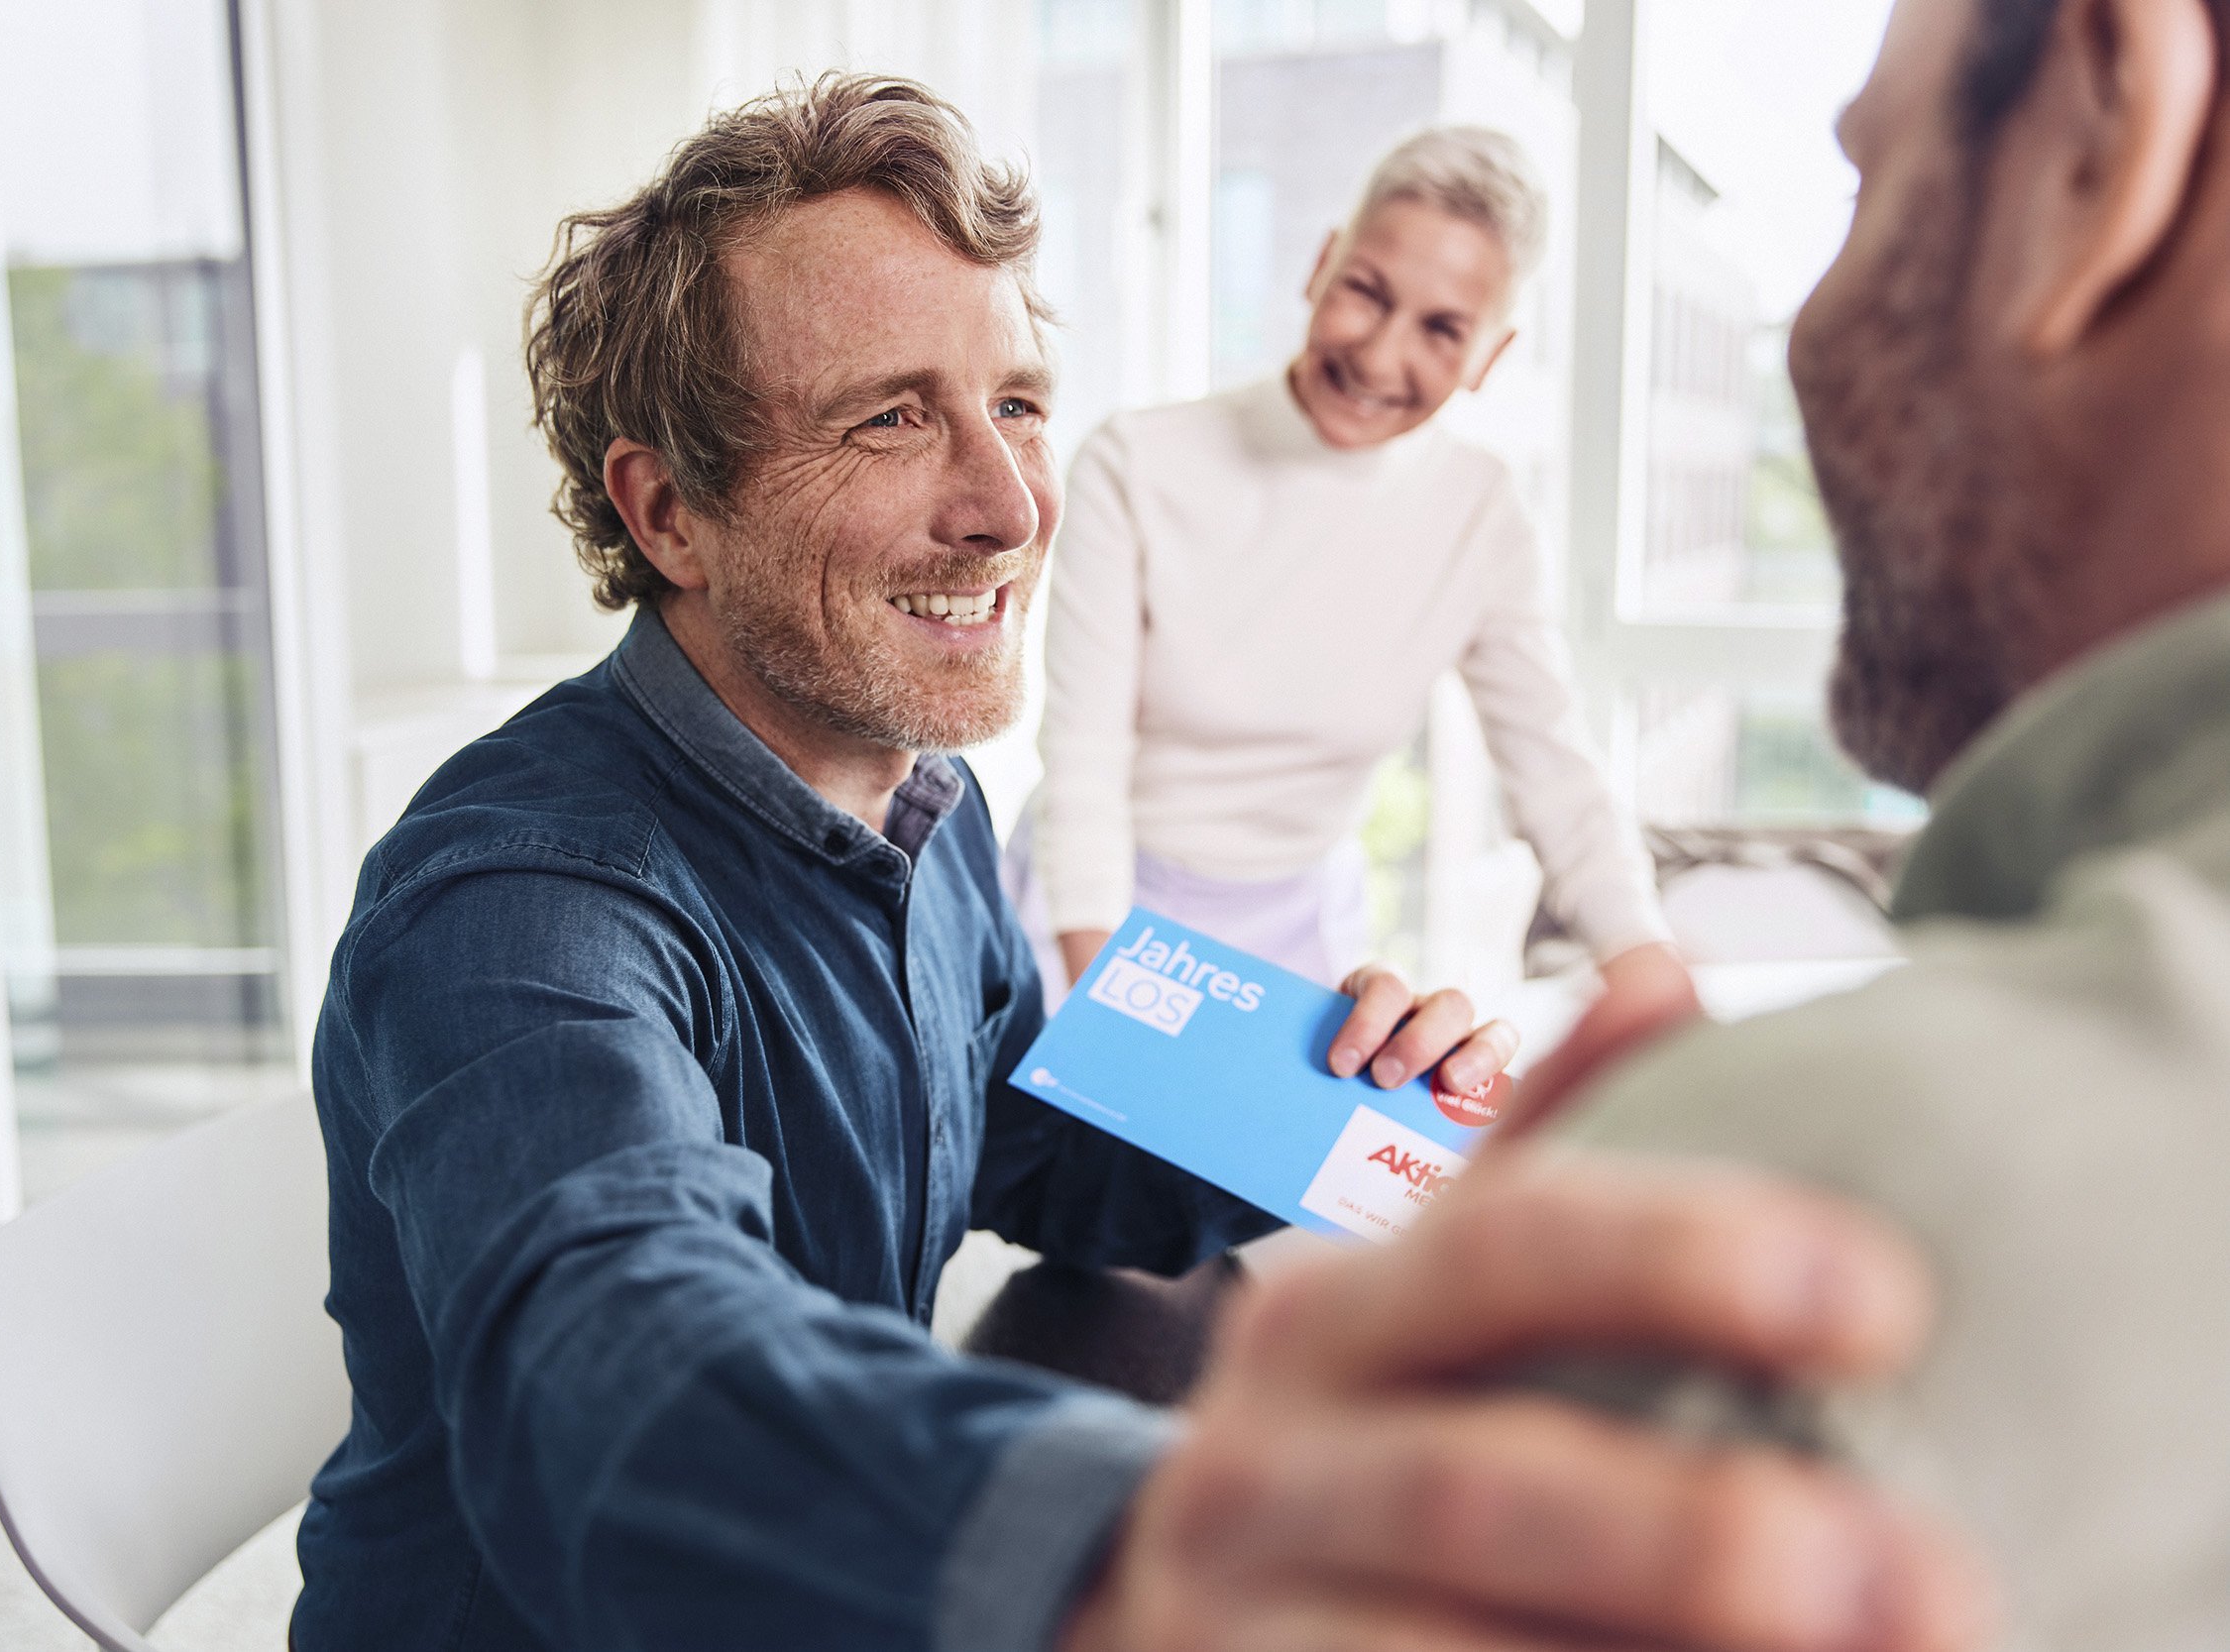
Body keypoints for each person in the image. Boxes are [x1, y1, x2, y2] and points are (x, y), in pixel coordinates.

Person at [289, 74, 1983, 1652]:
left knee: (1243, 1348)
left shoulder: (919, 812)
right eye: (891, 419)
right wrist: (1162, 1540)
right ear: (669, 512)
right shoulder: (522, 899)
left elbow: (1037, 1121)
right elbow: (613, 1377)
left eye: (1016, 401)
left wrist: (1359, 1102)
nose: (1015, 502)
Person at [1394, 0, 2230, 1643]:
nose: (1812, 323)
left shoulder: (1773, 1254)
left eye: (1867, 178)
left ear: (2103, 133)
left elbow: (1552, 758)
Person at [1018, 125, 1680, 1023]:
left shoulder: (1480, 516)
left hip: (1300, 933)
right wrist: (1104, 999)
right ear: (1323, 265)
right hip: (1084, 912)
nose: (1378, 357)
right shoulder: (1136, 461)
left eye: (1443, 329)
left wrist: (1657, 989)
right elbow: (1084, 764)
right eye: (1366, 293)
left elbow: (1558, 779)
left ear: (1490, 353)